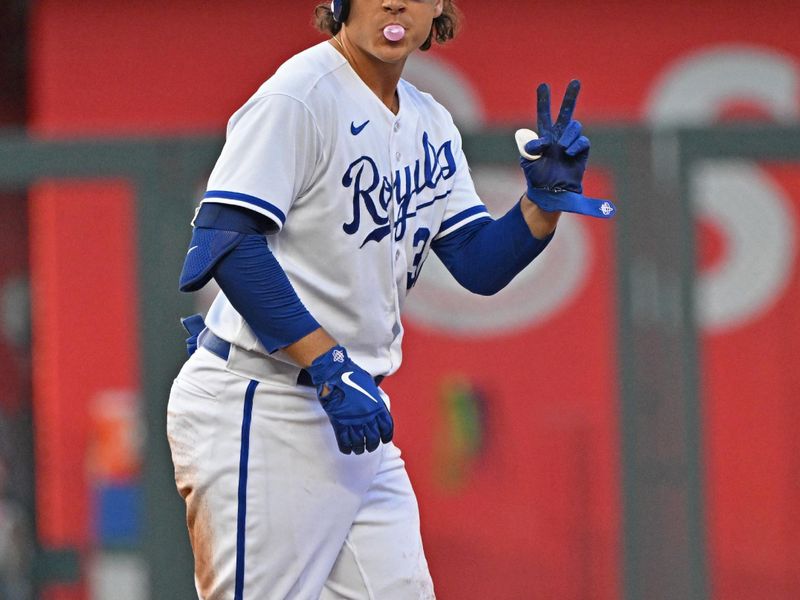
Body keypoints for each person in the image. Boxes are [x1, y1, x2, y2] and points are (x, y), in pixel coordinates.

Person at [167, 1, 614, 598]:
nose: (395, 2)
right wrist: (327, 362)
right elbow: (226, 243)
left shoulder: (430, 121)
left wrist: (542, 206)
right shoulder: (300, 94)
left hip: (354, 417)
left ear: (439, 9)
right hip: (262, 402)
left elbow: (478, 263)